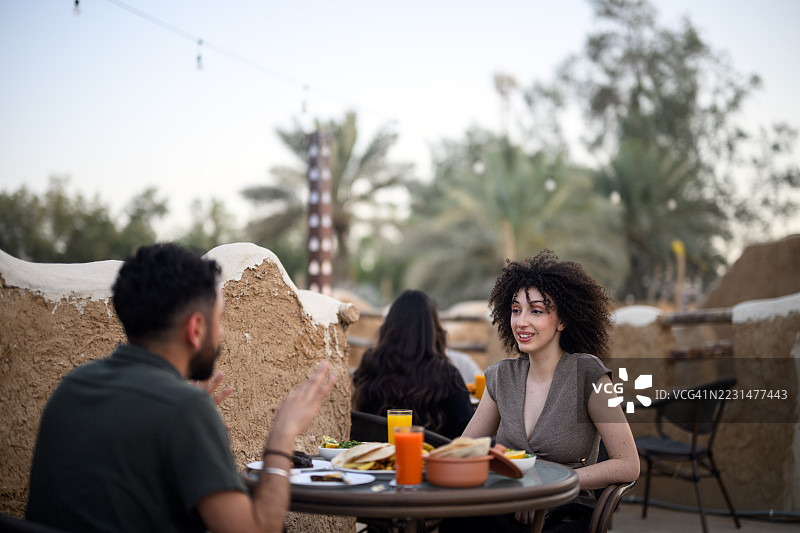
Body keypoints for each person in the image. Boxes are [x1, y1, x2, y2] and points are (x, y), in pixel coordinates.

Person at [26, 243, 336, 533]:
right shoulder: (184, 410)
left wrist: (188, 429)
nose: (221, 333)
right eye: (220, 320)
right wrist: (282, 437)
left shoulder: (72, 386)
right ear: (196, 328)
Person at [441, 251, 639, 533]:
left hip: (565, 510)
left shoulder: (588, 374)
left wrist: (547, 484)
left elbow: (628, 464)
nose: (521, 322)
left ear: (562, 320)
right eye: (516, 310)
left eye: (536, 311)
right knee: (457, 518)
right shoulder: (501, 376)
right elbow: (463, 451)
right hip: (507, 505)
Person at [352, 289, 473, 439]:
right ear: (433, 329)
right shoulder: (447, 374)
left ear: (390, 326)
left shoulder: (371, 365)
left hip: (376, 452)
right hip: (432, 453)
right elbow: (468, 430)